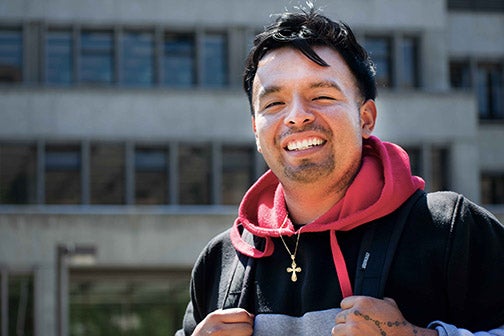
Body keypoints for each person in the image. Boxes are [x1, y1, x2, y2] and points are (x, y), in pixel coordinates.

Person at [176, 4, 504, 336]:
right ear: (256, 132)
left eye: (321, 95)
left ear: (366, 119)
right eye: (274, 104)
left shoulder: (450, 230)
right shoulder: (221, 261)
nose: (296, 116)